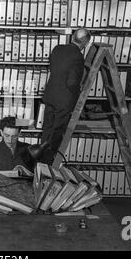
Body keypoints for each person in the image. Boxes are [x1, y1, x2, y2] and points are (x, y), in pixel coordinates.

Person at [40, 28, 91, 164]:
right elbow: (72, 82)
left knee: (47, 128)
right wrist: (79, 91)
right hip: (64, 100)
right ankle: (49, 163)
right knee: (57, 132)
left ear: (72, 37)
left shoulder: (57, 49)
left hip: (50, 95)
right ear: (85, 43)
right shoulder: (78, 57)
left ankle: (40, 161)